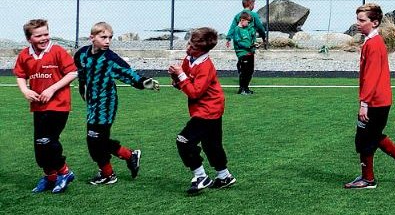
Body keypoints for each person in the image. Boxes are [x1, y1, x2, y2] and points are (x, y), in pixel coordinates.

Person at [74, 22, 160, 185]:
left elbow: (128, 74)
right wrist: (82, 91)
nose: (107, 41)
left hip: (106, 105)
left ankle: (108, 174)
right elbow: (81, 74)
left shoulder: (111, 59)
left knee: (95, 141)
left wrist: (143, 82)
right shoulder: (81, 54)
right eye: (103, 37)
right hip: (92, 104)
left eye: (110, 38)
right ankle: (130, 155)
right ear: (92, 38)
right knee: (100, 140)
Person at [344, 3, 395, 189]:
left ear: (375, 22)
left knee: (364, 140)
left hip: (376, 102)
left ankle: (368, 179)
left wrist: (364, 103)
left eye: (362, 20)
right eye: (358, 19)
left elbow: (371, 76)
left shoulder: (374, 44)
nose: (358, 24)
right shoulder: (371, 42)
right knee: (371, 136)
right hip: (378, 101)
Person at [168, 27, 236, 194]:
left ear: (203, 50)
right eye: (189, 44)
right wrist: (176, 78)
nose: (188, 48)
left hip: (208, 110)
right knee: (211, 145)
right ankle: (224, 176)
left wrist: (181, 77)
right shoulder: (190, 58)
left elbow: (195, 92)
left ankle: (201, 176)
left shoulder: (206, 66)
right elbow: (184, 83)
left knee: (183, 140)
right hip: (208, 109)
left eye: (193, 47)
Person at [15, 19, 78, 193]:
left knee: (47, 141)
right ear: (29, 39)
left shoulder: (57, 51)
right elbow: (20, 75)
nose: (44, 38)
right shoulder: (25, 55)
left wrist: (52, 88)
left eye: (46, 34)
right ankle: (50, 177)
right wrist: (25, 90)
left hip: (59, 105)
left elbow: (72, 72)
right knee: (39, 145)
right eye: (39, 35)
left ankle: (64, 172)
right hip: (38, 107)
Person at [225, 12, 260, 95]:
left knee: (250, 71)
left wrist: (254, 44)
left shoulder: (246, 30)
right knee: (244, 72)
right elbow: (239, 41)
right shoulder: (237, 30)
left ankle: (246, 88)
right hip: (243, 54)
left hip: (250, 53)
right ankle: (242, 89)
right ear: (242, 20)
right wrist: (249, 46)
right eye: (247, 22)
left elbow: (250, 39)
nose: (248, 24)